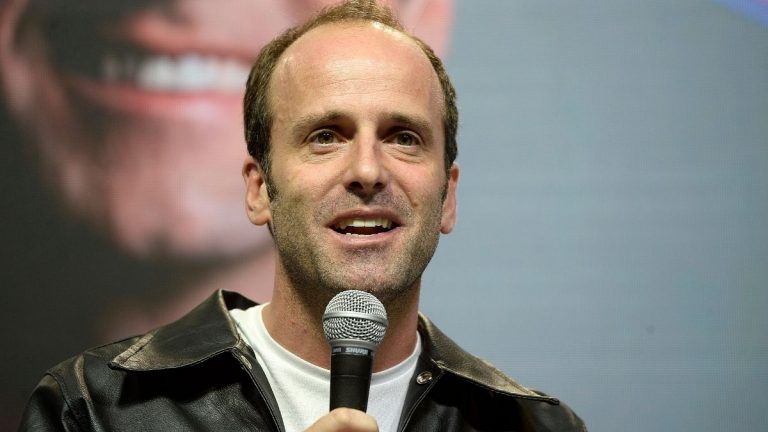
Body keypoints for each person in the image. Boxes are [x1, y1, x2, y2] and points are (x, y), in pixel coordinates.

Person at [19, 1, 586, 430]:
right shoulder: (94, 409)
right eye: (326, 136)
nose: (367, 170)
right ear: (259, 189)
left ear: (448, 198)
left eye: (403, 138)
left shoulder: (531, 426)